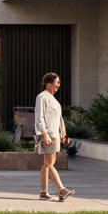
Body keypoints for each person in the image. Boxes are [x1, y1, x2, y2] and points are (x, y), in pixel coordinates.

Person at [34, 72, 75, 201]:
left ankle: (44, 192)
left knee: (48, 164)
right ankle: (61, 189)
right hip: (49, 134)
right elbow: (39, 117)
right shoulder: (42, 97)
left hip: (55, 134)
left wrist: (64, 133)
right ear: (48, 83)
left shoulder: (54, 99)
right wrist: (44, 134)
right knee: (48, 163)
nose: (58, 86)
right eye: (57, 83)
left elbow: (60, 118)